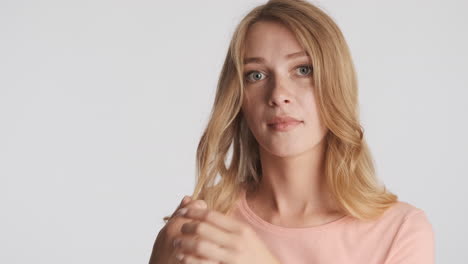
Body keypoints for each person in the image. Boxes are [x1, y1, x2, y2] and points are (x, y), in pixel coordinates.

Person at [149, 0, 435, 263]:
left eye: (303, 70)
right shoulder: (203, 226)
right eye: (256, 75)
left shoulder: (400, 231)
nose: (278, 95)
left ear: (336, 83)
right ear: (238, 97)